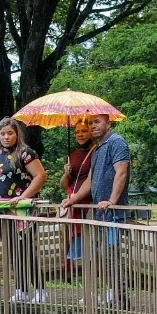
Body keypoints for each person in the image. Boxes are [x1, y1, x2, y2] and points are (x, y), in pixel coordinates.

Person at [59, 113, 131, 307]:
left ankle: (122, 299)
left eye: (97, 122)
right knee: (99, 255)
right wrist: (73, 199)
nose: (93, 126)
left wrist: (112, 200)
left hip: (112, 213)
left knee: (111, 254)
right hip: (97, 211)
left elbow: (121, 172)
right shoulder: (97, 148)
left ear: (108, 123)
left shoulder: (117, 142)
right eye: (90, 123)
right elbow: (90, 181)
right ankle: (115, 295)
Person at [0, 117, 47, 302]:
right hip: (2, 210)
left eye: (10, 133)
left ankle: (40, 290)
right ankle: (21, 289)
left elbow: (40, 176)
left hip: (22, 211)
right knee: (11, 250)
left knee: (25, 249)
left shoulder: (26, 153)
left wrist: (24, 196)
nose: (6, 137)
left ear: (17, 134)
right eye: (2, 133)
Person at [59, 119, 93, 278]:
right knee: (73, 242)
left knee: (90, 246)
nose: (80, 134)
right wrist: (66, 172)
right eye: (77, 131)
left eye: (83, 131)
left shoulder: (96, 151)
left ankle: (93, 285)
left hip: (88, 203)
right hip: (73, 202)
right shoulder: (72, 154)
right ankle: (77, 277)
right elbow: (64, 184)